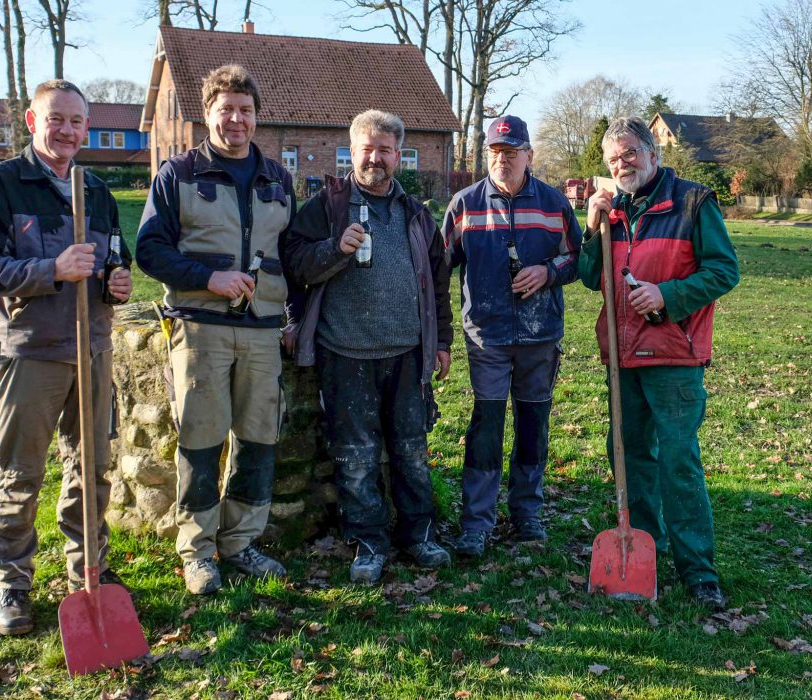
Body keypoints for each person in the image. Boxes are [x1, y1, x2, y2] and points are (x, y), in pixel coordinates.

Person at [0, 79, 133, 635]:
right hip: (30, 352)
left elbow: (113, 262)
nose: (67, 130)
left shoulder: (97, 190)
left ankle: (89, 571)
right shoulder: (1, 186)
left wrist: (118, 282)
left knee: (92, 470)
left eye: (76, 121)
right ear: (33, 123)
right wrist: (50, 270)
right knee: (22, 472)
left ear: (87, 127)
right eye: (55, 119)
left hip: (92, 350)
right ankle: (13, 584)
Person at [135, 64, 294, 596]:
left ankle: (241, 542)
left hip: (263, 330)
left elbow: (292, 252)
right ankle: (198, 551)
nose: (236, 120)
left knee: (258, 438)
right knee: (200, 441)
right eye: (225, 110)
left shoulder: (278, 178)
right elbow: (149, 250)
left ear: (256, 116)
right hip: (200, 328)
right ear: (207, 114)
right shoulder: (178, 174)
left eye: (245, 111)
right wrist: (209, 277)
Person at [285, 109, 453, 585]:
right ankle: (369, 543)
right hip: (346, 353)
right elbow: (296, 264)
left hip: (406, 353)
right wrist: (335, 249)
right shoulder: (326, 208)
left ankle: (419, 535)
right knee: (356, 456)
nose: (375, 158)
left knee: (412, 451)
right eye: (366, 148)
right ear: (350, 151)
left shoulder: (416, 214)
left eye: (385, 150)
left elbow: (438, 284)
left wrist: (441, 341)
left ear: (398, 155)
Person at [580, 116, 739, 610]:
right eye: (612, 158)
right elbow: (590, 277)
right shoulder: (613, 210)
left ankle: (699, 571)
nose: (621, 163)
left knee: (678, 461)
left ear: (653, 153)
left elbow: (724, 270)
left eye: (629, 153)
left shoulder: (693, 202)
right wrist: (590, 229)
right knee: (629, 456)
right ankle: (646, 546)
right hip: (622, 358)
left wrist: (666, 294)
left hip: (673, 354)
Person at [442, 115, 582, 558]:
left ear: (529, 155)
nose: (504, 160)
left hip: (541, 336)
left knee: (533, 425)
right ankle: (477, 522)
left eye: (512, 152)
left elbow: (580, 259)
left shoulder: (554, 204)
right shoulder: (464, 206)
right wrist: (441, 334)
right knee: (486, 426)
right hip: (487, 337)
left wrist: (549, 271)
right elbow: (437, 271)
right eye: (496, 153)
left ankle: (527, 513)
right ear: (487, 156)